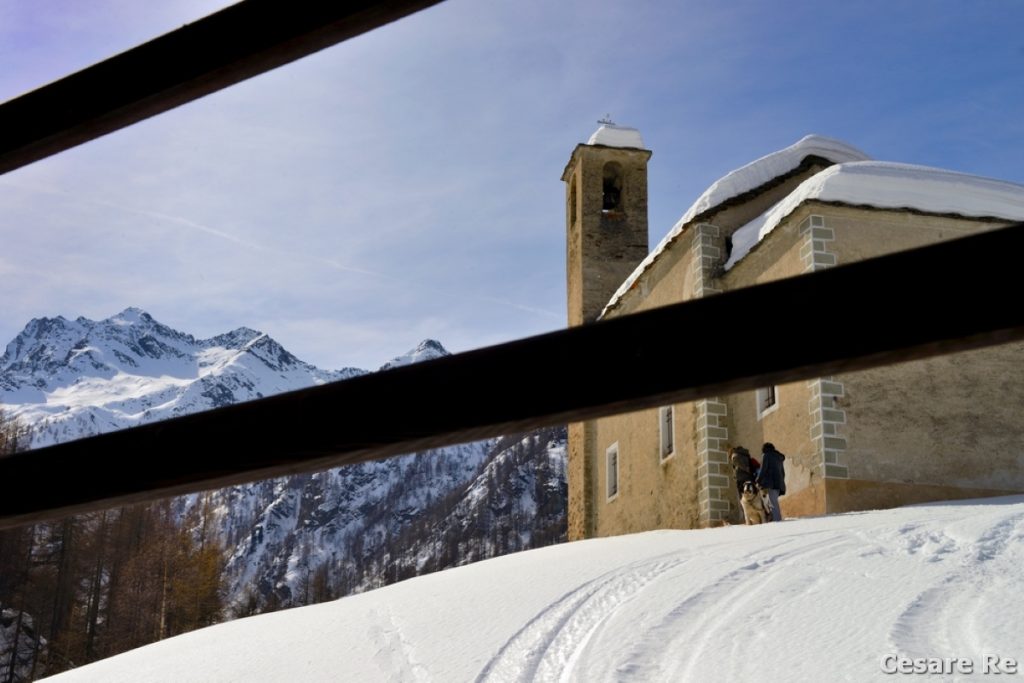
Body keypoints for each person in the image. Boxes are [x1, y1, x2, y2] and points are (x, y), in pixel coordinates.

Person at [756, 442, 787, 522]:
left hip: (770, 483)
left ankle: (777, 520)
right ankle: (775, 519)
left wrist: (758, 480)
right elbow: (782, 472)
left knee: (773, 503)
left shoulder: (766, 455)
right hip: (779, 482)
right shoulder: (778, 457)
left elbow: (763, 470)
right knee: (773, 501)